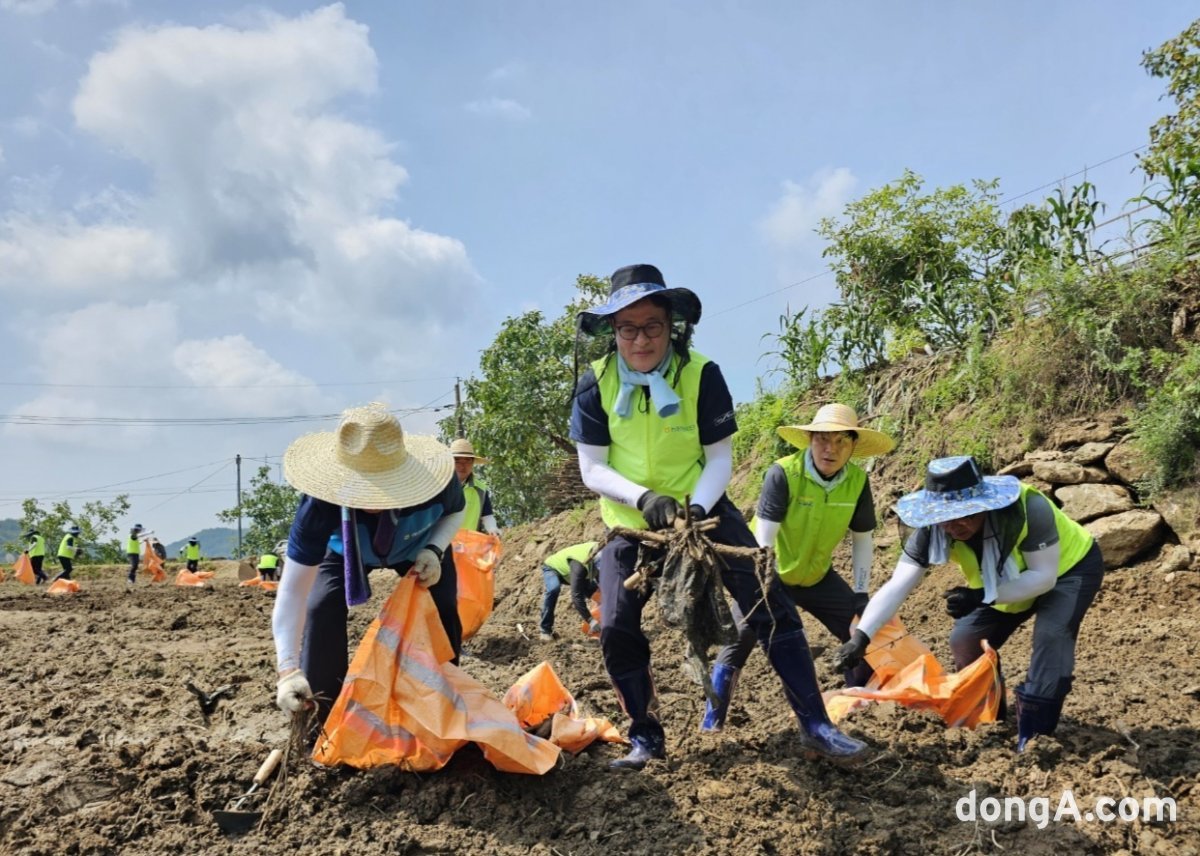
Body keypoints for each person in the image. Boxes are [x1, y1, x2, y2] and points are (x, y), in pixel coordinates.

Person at [570, 263, 867, 771]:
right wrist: (645, 501)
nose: (640, 340)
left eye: (652, 327)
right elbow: (593, 468)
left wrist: (696, 512)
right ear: (612, 331)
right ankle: (646, 736)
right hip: (630, 518)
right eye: (628, 328)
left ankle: (816, 724)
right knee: (616, 625)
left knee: (770, 603)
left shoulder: (701, 374)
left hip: (702, 510)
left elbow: (720, 458)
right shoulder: (593, 385)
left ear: (672, 327)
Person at [833, 455, 1105, 751]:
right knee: (965, 640)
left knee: (1052, 637)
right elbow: (899, 583)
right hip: (1000, 582)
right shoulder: (933, 528)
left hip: (1066, 571)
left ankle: (1036, 734)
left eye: (966, 514)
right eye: (946, 517)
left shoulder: (1028, 509)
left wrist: (980, 596)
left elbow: (1043, 578)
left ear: (985, 505)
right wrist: (861, 638)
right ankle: (990, 718)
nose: (955, 525)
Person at [702, 404, 895, 733]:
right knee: (737, 641)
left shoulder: (858, 482)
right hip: (771, 573)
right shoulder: (784, 473)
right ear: (809, 440)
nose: (829, 450)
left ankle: (858, 711)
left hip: (819, 578)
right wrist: (762, 585)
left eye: (839, 442)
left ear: (852, 446)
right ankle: (711, 725)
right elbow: (764, 536)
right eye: (821, 440)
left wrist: (861, 593)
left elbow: (863, 539)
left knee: (863, 633)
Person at [272, 403, 466, 724]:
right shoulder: (319, 506)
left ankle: (441, 706)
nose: (373, 499)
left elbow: (456, 511)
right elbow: (293, 592)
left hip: (417, 546)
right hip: (346, 549)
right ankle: (322, 718)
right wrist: (288, 669)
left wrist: (435, 549)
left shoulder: (439, 481)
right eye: (363, 487)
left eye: (384, 485)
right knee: (320, 606)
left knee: (443, 605)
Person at [539, 541, 600, 640]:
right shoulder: (580, 565)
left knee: (598, 594)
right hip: (553, 568)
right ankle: (545, 629)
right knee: (554, 589)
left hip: (579, 571)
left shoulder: (604, 552)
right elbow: (576, 596)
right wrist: (591, 620)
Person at [450, 438, 500, 536]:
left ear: (473, 463)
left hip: (469, 546)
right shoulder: (439, 487)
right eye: (457, 461)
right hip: (440, 546)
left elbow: (487, 515)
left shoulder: (481, 489)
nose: (462, 466)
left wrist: (493, 529)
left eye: (467, 461)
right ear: (450, 462)